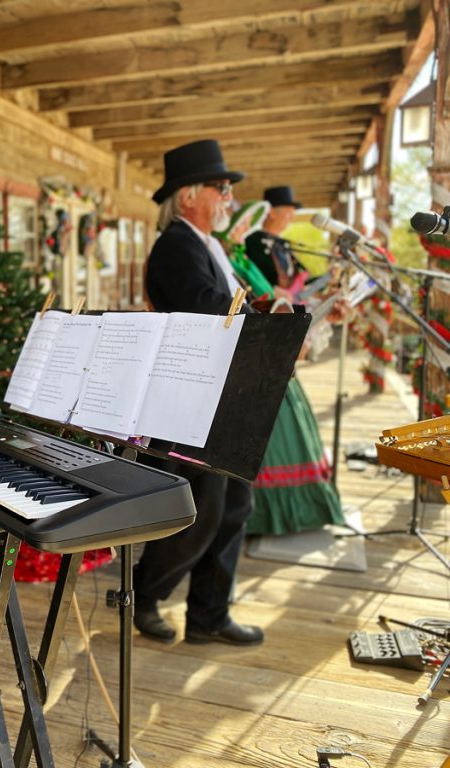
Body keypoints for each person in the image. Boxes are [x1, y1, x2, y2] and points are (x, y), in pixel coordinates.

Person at [135, 139, 264, 646]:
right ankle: (144, 595)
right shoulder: (175, 245)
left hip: (223, 397)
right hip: (193, 401)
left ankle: (210, 614)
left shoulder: (207, 245)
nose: (228, 197)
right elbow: (207, 307)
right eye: (221, 187)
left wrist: (270, 312)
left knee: (234, 508)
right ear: (189, 195)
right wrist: (261, 319)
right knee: (201, 511)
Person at [217, 204, 346, 536]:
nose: (244, 227)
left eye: (248, 222)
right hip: (253, 358)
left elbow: (270, 300)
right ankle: (265, 516)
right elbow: (255, 304)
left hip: (270, 351)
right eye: (242, 221)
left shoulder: (240, 261)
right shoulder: (227, 262)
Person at [244, 185, 305, 293]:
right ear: (271, 213)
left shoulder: (283, 244)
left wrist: (328, 278)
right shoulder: (252, 241)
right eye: (289, 212)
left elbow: (300, 282)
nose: (292, 217)